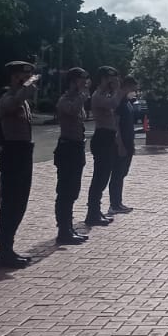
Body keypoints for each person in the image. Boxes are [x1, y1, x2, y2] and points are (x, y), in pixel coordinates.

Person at [0, 61, 38, 269]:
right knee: (11, 203)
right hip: (12, 154)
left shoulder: (24, 101)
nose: (27, 80)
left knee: (21, 202)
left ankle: (8, 248)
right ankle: (3, 250)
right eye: (22, 76)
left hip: (24, 153)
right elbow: (12, 104)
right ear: (13, 77)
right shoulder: (7, 98)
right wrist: (26, 88)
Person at [53, 68, 90, 245]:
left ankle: (68, 226)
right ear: (73, 81)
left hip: (76, 148)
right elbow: (73, 111)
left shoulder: (77, 100)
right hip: (67, 148)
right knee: (65, 191)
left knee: (73, 190)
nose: (85, 83)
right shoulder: (65, 100)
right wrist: (82, 96)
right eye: (81, 80)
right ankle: (63, 230)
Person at [84, 67, 123, 226]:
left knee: (104, 176)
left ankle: (95, 210)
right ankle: (92, 213)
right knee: (99, 177)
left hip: (109, 137)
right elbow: (114, 103)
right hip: (102, 137)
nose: (111, 82)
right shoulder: (98, 95)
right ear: (102, 79)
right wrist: (118, 89)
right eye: (109, 78)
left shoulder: (106, 94)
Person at [107, 76, 141, 214]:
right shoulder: (120, 102)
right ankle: (114, 203)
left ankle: (118, 202)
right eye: (134, 87)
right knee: (117, 173)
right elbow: (116, 124)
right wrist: (120, 143)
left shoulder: (127, 101)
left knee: (122, 173)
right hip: (121, 143)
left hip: (128, 141)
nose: (136, 91)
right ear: (127, 86)